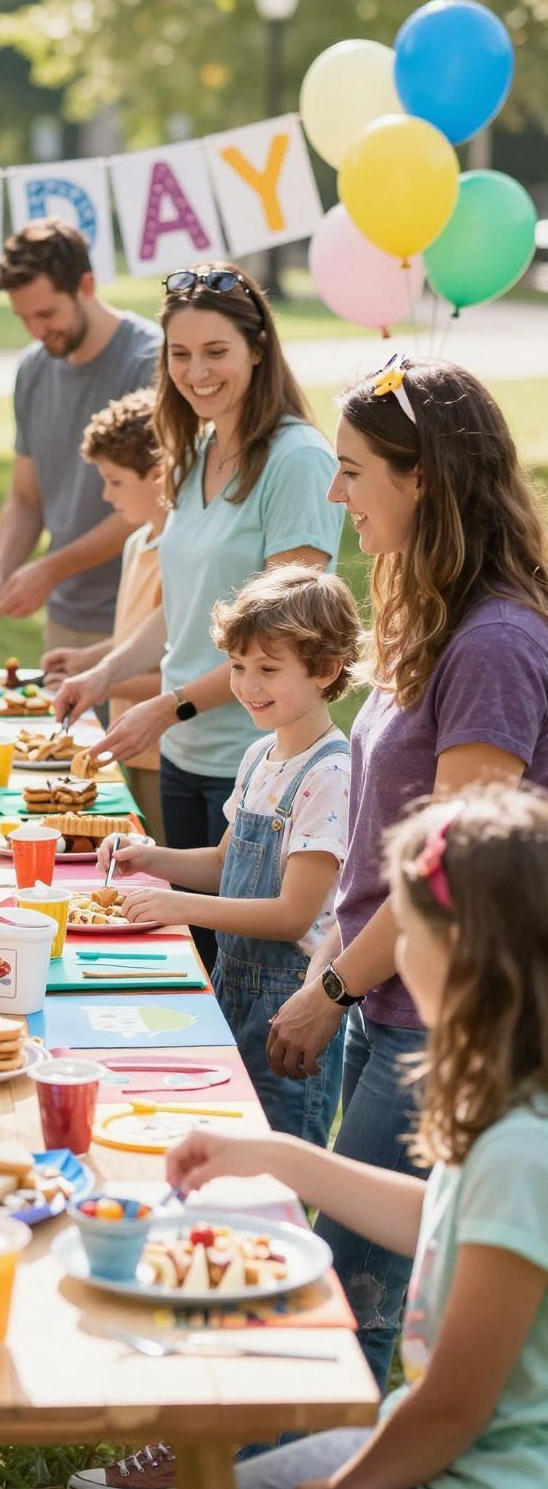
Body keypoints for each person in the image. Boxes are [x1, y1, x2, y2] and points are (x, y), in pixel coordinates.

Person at [116, 784, 548, 1489]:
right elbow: (441, 1217)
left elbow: (452, 1408)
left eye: (406, 929)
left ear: (464, 953)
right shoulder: (506, 1096)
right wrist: (278, 1156)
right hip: (465, 1469)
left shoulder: (521, 1146)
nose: (389, 948)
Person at [265, 354, 548, 1390]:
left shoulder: (497, 640)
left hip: (442, 1014)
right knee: (359, 1273)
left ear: (419, 478)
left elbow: (445, 864)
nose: (336, 495)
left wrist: (332, 988)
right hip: (383, 990)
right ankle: (294, 1452)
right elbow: (385, 831)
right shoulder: (427, 613)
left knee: (349, 1281)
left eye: (352, 472)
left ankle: (285, 1462)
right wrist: (338, 972)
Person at [57, 263, 343, 983]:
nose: (197, 371)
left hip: (255, 761)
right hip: (185, 755)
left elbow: (288, 633)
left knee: (244, 972)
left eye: (216, 351)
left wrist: (168, 704)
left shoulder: (298, 460)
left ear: (258, 348)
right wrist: (104, 673)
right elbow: (180, 603)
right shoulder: (194, 450)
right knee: (192, 967)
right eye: (180, 354)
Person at [98, 566, 359, 1144]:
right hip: (231, 987)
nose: (247, 685)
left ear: (325, 669)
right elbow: (224, 866)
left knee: (276, 1157)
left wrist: (181, 909)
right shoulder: (260, 755)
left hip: (288, 1012)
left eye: (268, 669)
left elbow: (292, 915)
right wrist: (152, 859)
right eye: (238, 667)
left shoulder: (330, 775)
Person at [0, 219, 161, 652]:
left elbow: (155, 500)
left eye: (46, 314)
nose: (37, 331)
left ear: (86, 286)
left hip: (139, 617)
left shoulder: (149, 363)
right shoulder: (33, 368)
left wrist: (50, 570)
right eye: (23, 317)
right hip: (63, 615)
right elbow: (25, 497)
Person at [42, 389, 168, 842]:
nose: (105, 494)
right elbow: (138, 640)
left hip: (165, 748)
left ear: (158, 474)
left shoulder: (178, 554)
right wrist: (88, 660)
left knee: (161, 854)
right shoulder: (137, 543)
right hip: (128, 742)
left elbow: (172, 669)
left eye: (115, 481)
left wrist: (102, 683)